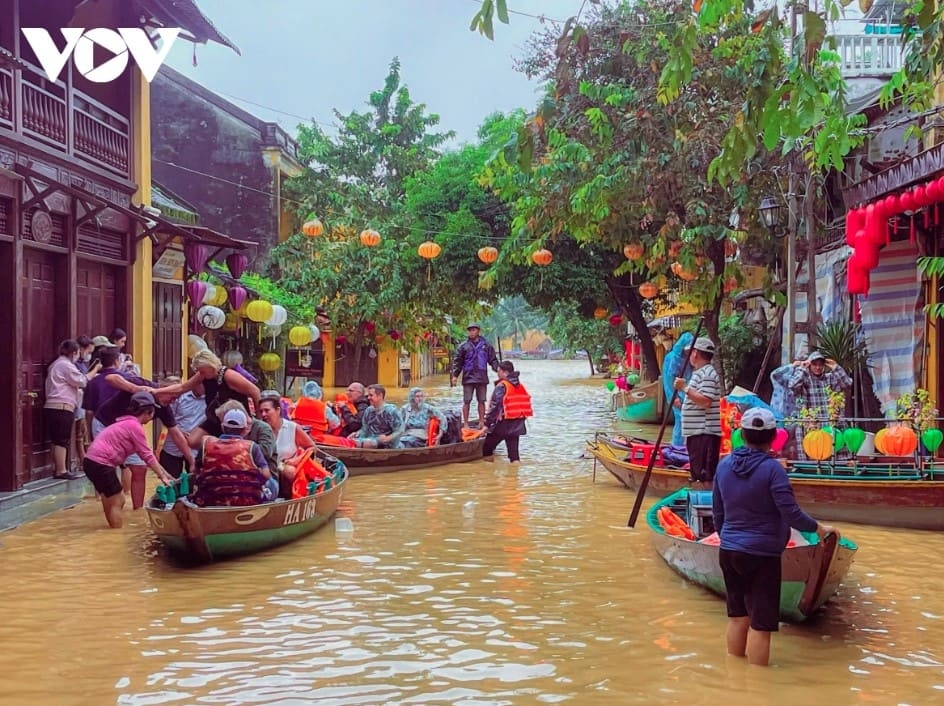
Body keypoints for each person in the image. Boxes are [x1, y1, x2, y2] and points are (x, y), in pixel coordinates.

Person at [712, 407, 835, 666]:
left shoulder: (723, 466)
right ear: (772, 437)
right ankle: (758, 690)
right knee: (761, 625)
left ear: (742, 435)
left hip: (730, 551)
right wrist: (818, 529)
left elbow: (718, 513)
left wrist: (730, 540)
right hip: (762, 556)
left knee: (737, 617)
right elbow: (791, 514)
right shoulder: (773, 470)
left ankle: (734, 678)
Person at [94, 380, 191, 509]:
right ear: (163, 389)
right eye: (173, 397)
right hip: (105, 425)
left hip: (129, 433)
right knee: (105, 467)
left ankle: (137, 510)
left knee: (140, 469)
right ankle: (106, 501)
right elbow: (110, 378)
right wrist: (134, 388)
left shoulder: (163, 409)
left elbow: (176, 435)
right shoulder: (143, 385)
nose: (173, 402)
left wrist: (191, 460)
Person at [82, 392, 173, 528]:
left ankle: (110, 530)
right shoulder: (135, 427)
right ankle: (116, 535)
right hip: (101, 464)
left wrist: (165, 474)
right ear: (148, 412)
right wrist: (163, 477)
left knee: (110, 499)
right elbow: (147, 455)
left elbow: (148, 455)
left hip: (91, 462)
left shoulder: (126, 423)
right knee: (119, 500)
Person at [176, 349, 261, 448]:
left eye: (202, 371)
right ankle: (219, 446)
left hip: (234, 419)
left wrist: (259, 419)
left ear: (210, 366)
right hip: (215, 418)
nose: (200, 374)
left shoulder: (229, 375)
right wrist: (158, 391)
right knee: (193, 441)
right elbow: (183, 387)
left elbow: (255, 391)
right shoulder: (203, 376)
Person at [191, 408, 276, 507]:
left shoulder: (207, 445)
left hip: (210, 501)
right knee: (272, 484)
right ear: (244, 430)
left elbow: (194, 470)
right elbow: (266, 474)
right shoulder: (252, 447)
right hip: (248, 501)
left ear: (223, 427)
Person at [44, 339, 101, 479]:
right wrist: (96, 369)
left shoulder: (56, 364)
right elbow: (82, 380)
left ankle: (57, 467)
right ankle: (61, 470)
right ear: (74, 352)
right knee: (61, 440)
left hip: (53, 405)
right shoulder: (65, 365)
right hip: (62, 406)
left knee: (57, 439)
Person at [673, 336, 722, 483]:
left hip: (704, 434)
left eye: (690, 353)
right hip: (697, 433)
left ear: (695, 353)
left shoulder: (707, 373)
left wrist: (684, 388)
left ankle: (704, 501)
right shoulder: (700, 373)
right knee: (697, 473)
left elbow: (706, 401)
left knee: (703, 476)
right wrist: (683, 406)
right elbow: (698, 401)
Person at [788, 350, 853, 460]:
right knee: (812, 453)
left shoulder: (830, 378)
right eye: (814, 364)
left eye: (820, 365)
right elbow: (792, 385)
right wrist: (802, 368)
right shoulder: (804, 379)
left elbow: (847, 383)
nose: (817, 368)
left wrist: (836, 367)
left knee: (835, 451)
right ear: (810, 365)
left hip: (830, 421)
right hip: (810, 423)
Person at [258, 393, 315, 495]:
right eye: (261, 411)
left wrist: (296, 460)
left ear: (278, 410)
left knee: (289, 471)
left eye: (267, 410)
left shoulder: (292, 427)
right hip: (265, 468)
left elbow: (312, 447)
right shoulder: (259, 429)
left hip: (285, 467)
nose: (263, 414)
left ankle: (289, 498)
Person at [482, 360, 533, 462]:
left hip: (504, 424)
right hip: (518, 424)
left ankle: (489, 473)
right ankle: (514, 476)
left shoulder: (502, 386)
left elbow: (495, 407)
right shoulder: (520, 386)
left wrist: (486, 425)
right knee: (514, 456)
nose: (497, 374)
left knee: (487, 448)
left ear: (505, 373)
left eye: (499, 371)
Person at [450, 323, 499, 427]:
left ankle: (481, 422)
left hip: (482, 377)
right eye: (470, 330)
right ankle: (466, 423)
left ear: (478, 331)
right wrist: (455, 376)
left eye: (473, 330)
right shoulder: (463, 346)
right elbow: (458, 362)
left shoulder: (486, 345)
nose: (471, 332)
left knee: (481, 400)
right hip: (468, 377)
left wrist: (498, 370)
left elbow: (493, 360)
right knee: (466, 401)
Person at [215, 400, 278, 477]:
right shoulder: (229, 432)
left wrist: (242, 448)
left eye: (224, 420)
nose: (224, 425)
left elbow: (266, 452)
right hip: (238, 474)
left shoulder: (263, 428)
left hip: (265, 476)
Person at [158, 378, 205, 479]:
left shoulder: (210, 400)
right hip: (173, 448)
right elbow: (168, 419)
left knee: (195, 481)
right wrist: (180, 433)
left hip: (195, 449)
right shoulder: (179, 396)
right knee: (172, 482)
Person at [351, 384, 404, 448]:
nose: (368, 398)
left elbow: (399, 430)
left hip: (388, 445)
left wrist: (388, 438)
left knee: (368, 443)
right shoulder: (368, 410)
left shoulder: (391, 411)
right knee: (352, 440)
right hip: (371, 441)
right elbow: (365, 429)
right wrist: (357, 434)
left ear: (380, 396)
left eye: (371, 395)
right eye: (368, 395)